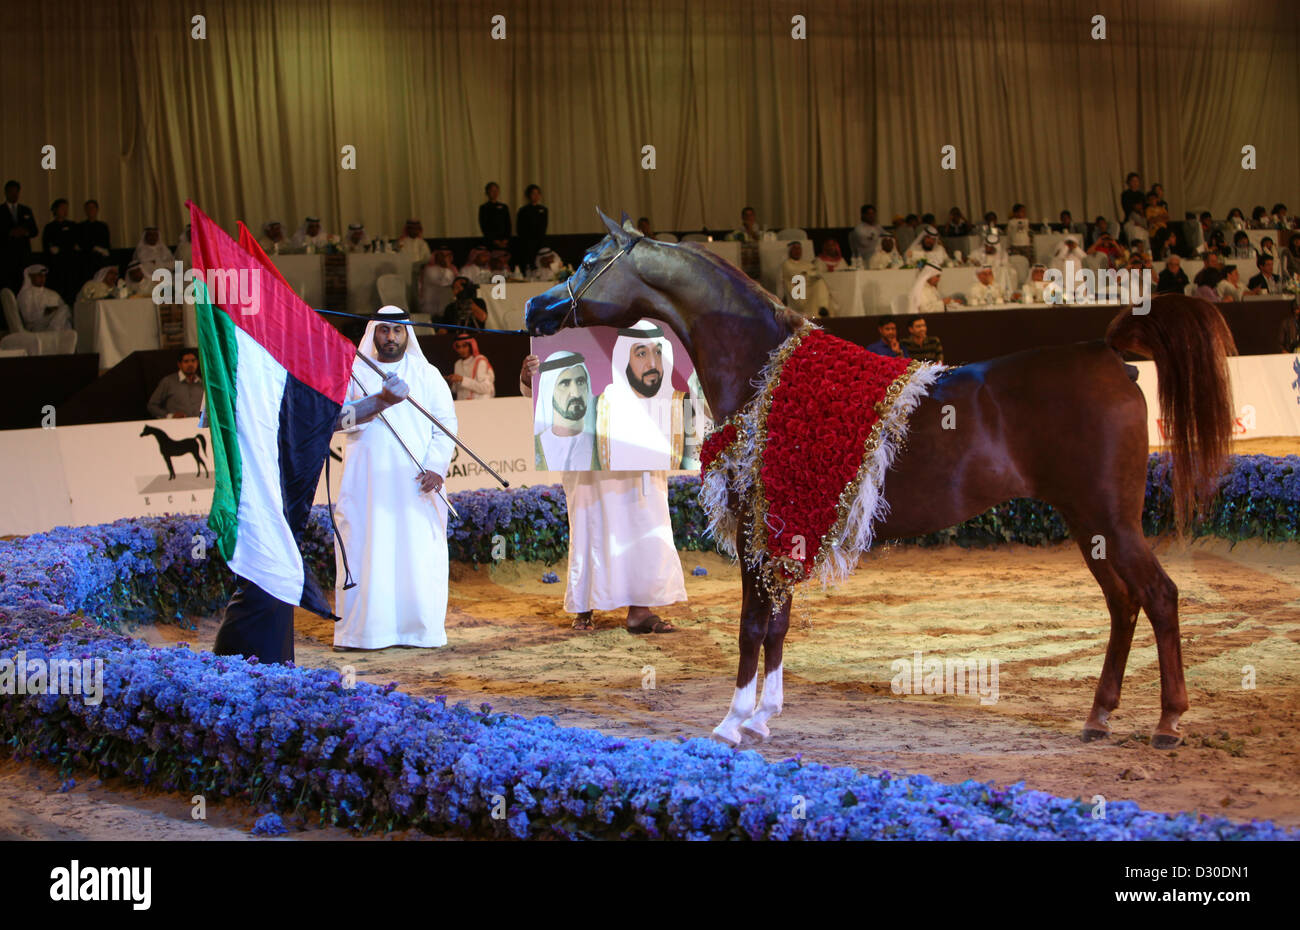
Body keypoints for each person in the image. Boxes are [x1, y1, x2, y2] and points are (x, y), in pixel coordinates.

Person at [520, 352, 684, 633]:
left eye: (580, 382)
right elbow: (537, 395)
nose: (574, 390)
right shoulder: (566, 426)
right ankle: (584, 606)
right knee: (589, 526)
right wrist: (528, 377)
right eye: (564, 383)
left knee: (642, 523)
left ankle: (640, 610)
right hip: (587, 468)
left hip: (639, 462)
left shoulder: (611, 395)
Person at [334, 306, 458, 650]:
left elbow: (445, 424)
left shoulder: (426, 374)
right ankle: (364, 634)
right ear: (373, 332)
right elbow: (337, 420)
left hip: (417, 484)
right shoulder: (354, 371)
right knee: (366, 549)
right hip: (366, 485)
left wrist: (436, 468)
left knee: (417, 554)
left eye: (397, 331)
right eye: (384, 330)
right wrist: (379, 402)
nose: (391, 337)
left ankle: (419, 631)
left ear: (408, 334)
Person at [596, 320, 690, 470]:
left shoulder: (684, 404)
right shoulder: (602, 407)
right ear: (624, 360)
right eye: (641, 354)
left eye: (658, 352)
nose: (653, 364)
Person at [531, 350, 599, 470]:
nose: (576, 393)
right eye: (565, 384)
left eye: (580, 382)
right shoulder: (535, 446)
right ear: (549, 391)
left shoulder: (604, 442)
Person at [0, 180, 38, 293]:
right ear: (6, 193)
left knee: (24, 284)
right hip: (6, 256)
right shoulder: (0, 211)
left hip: (23, 255)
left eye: (16, 192)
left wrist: (25, 232)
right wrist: (9, 233)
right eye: (11, 192)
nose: (14, 195)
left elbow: (34, 231)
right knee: (7, 286)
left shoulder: (25, 210)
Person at [781, 240, 834, 317]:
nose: (797, 251)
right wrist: (807, 275)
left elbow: (815, 273)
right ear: (790, 251)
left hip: (809, 285)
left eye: (799, 249)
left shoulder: (807, 263)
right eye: (795, 249)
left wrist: (808, 275)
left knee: (820, 282)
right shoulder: (787, 264)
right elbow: (794, 275)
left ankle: (823, 308)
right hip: (797, 288)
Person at [147, 348, 204, 418]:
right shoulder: (168, 382)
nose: (190, 364)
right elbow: (152, 406)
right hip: (175, 425)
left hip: (198, 425)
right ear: (179, 364)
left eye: (193, 361)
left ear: (197, 363)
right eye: (186, 361)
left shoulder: (202, 383)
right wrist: (171, 416)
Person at [41, 199, 79, 302]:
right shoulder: (50, 227)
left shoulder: (72, 225)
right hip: (56, 265)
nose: (65, 211)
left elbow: (75, 243)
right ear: (56, 210)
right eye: (62, 208)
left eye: (66, 208)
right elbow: (46, 245)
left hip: (70, 264)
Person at [17, 264, 71, 331]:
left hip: (54, 323)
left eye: (44, 276)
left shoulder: (52, 294)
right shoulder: (25, 294)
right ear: (30, 276)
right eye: (39, 275)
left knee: (65, 310)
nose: (42, 278)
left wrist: (54, 311)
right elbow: (27, 317)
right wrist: (45, 311)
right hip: (35, 326)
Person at [447, 332, 494, 400]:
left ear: (471, 346)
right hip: (463, 404)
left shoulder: (480, 361)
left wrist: (462, 379)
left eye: (464, 346)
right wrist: (450, 382)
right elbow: (456, 390)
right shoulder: (457, 364)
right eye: (458, 347)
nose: (461, 350)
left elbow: (485, 388)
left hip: (480, 403)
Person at [418, 244, 458, 317]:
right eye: (442, 255)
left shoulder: (452, 270)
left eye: (448, 256)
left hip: (445, 307)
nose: (445, 258)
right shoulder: (429, 270)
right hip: (431, 308)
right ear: (436, 256)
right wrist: (447, 266)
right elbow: (443, 284)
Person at [516, 184, 549, 261]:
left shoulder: (543, 209)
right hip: (527, 242)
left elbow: (544, 225)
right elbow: (520, 228)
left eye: (538, 193)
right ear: (528, 195)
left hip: (540, 241)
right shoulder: (523, 210)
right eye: (533, 193)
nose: (536, 196)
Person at [478, 182, 511, 248]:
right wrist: (494, 240)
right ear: (487, 192)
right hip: (491, 241)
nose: (495, 193)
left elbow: (508, 223)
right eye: (492, 191)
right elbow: (484, 225)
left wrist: (506, 239)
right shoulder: (484, 207)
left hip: (504, 241)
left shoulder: (504, 207)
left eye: (496, 190)